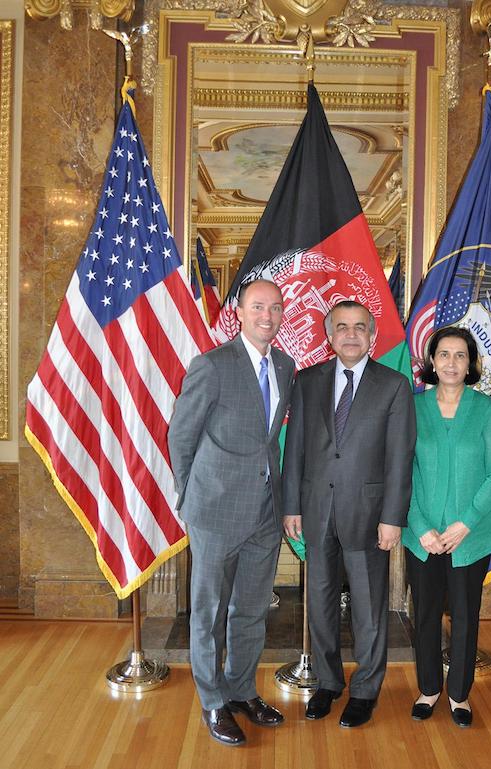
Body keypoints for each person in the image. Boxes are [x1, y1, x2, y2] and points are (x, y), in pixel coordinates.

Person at [168, 279, 294, 747]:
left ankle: (242, 689)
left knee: (252, 609)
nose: (268, 315)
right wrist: (191, 494)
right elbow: (181, 437)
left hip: (265, 510)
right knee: (208, 612)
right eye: (258, 306)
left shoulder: (286, 364)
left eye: (275, 307)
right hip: (215, 511)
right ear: (239, 312)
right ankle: (213, 700)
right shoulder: (212, 366)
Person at [283, 300, 416, 728]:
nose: (351, 334)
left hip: (370, 514)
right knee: (319, 603)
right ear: (330, 335)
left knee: (369, 606)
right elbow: (296, 448)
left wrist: (393, 516)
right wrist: (291, 506)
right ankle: (328, 683)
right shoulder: (307, 381)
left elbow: (400, 456)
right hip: (316, 510)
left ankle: (365, 690)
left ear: (372, 336)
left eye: (360, 327)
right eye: (342, 327)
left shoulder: (393, 385)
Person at [402, 326, 491, 728]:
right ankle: (429, 689)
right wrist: (420, 524)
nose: (450, 362)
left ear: (470, 364)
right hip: (422, 535)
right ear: (431, 361)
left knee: (465, 615)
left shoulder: (484, 410)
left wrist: (465, 524)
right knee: (426, 615)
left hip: (471, 536)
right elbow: (402, 472)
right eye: (443, 354)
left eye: (459, 355)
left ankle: (459, 695)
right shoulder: (413, 407)